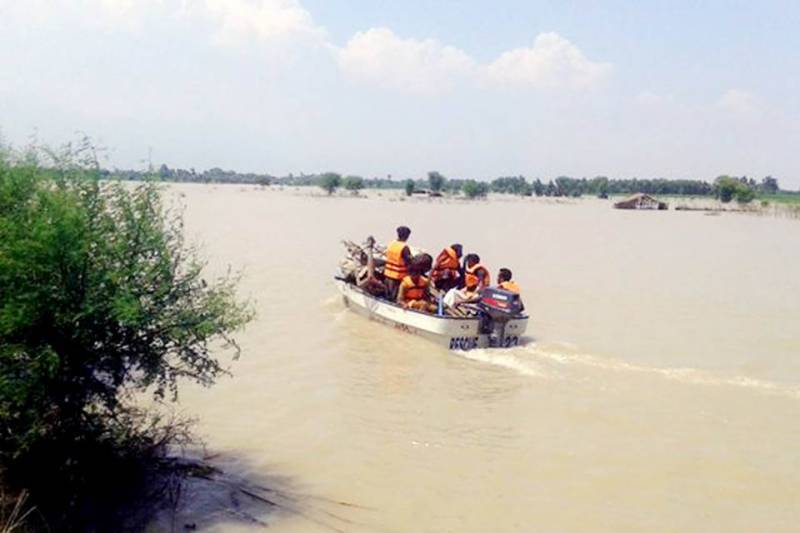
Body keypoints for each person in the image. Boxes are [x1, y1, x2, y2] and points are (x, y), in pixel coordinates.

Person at [383, 226, 412, 300]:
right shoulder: (404, 247)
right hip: (397, 278)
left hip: (387, 274)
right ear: (407, 236)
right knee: (395, 298)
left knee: (388, 296)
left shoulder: (391, 244)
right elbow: (409, 262)